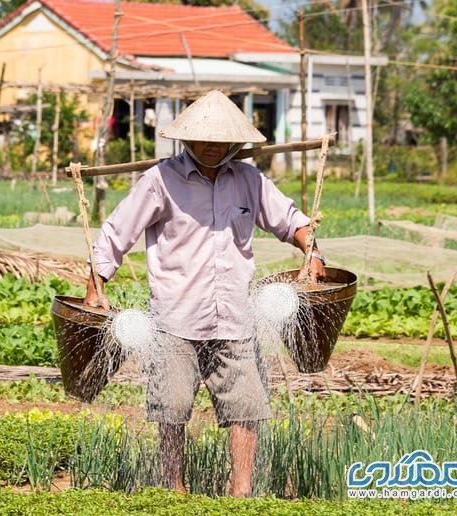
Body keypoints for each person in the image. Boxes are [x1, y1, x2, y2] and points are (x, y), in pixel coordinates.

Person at [84, 90, 325, 497]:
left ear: (235, 141)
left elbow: (290, 220)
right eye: (204, 138)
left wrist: (311, 250)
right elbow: (116, 233)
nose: (212, 145)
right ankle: (173, 489)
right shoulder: (160, 181)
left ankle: (241, 493)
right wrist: (95, 285)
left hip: (234, 319)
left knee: (247, 407)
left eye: (221, 138)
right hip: (175, 319)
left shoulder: (249, 180)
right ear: (186, 139)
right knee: (172, 408)